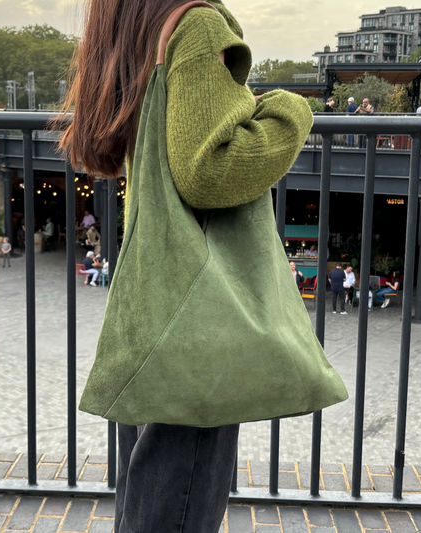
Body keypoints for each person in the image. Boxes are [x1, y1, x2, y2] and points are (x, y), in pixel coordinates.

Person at [56, 0, 315, 529]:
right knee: (180, 503)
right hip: (200, 311)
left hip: (153, 299)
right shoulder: (196, 25)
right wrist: (292, 112)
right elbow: (209, 170)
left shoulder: (132, 26)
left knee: (148, 488)